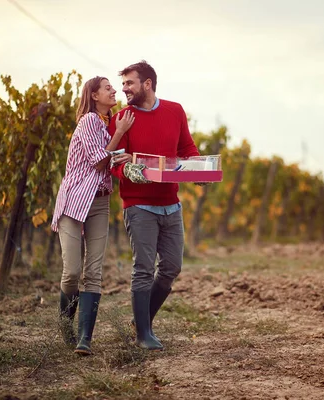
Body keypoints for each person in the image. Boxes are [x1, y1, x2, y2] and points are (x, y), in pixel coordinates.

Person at [109, 60, 200, 351]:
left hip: (171, 203)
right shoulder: (122, 117)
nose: (124, 89)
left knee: (172, 266)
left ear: (147, 84)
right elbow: (114, 162)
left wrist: (199, 170)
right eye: (122, 84)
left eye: (129, 83)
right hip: (139, 205)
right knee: (144, 269)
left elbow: (187, 148)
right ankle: (143, 335)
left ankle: (143, 320)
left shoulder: (174, 111)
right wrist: (132, 171)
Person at [51, 76, 134, 356]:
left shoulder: (106, 125)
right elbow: (98, 160)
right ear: (94, 95)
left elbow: (108, 161)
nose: (114, 91)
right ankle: (66, 326)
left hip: (99, 202)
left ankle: (84, 340)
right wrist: (119, 135)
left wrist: (121, 155)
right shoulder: (88, 121)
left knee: (94, 273)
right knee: (72, 272)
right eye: (108, 87)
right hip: (75, 200)